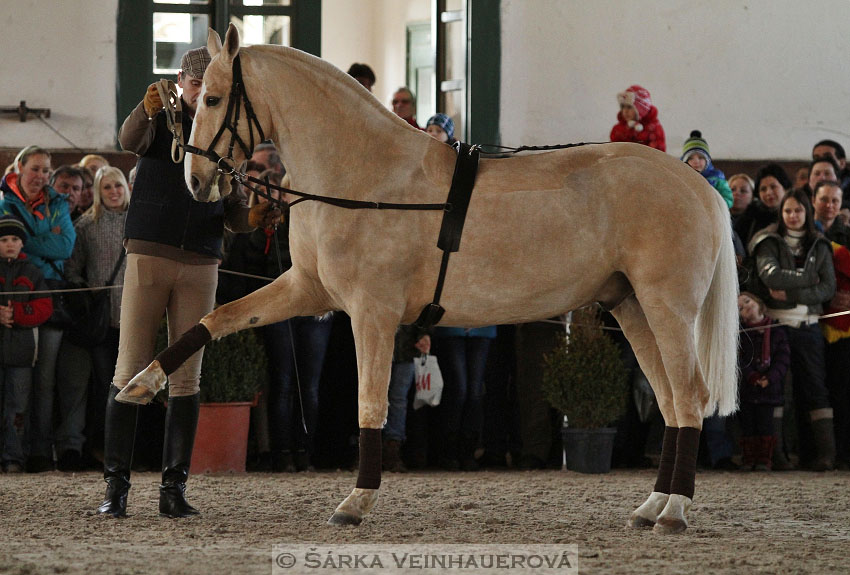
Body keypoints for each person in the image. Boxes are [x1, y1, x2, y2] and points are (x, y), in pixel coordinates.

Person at [97, 47, 278, 518]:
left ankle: (173, 489)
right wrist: (145, 107)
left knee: (186, 379)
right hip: (149, 252)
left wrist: (254, 216)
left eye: (207, 85)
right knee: (129, 368)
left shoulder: (225, 129)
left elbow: (233, 213)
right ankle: (115, 488)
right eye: (195, 84)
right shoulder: (162, 116)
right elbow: (130, 138)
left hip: (202, 259)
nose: (201, 93)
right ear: (182, 81)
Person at [0, 145, 76, 473]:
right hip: (12, 296)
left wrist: (23, 239)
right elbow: (14, 250)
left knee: (44, 380)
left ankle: (40, 451)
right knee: (14, 382)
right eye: (35, 169)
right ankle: (11, 453)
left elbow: (65, 246)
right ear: (18, 169)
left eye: (46, 171)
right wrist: (44, 240)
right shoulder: (5, 203)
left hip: (50, 297)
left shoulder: (57, 203)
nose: (41, 177)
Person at [749, 189, 836, 471]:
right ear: (781, 213)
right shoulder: (768, 240)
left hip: (808, 326)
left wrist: (795, 295)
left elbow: (827, 288)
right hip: (775, 327)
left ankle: (825, 455)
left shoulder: (820, 244)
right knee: (777, 391)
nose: (793, 216)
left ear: (807, 213)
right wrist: (807, 278)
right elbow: (769, 274)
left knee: (815, 390)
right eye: (787, 211)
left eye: (798, 210)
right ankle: (778, 455)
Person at [59, 167, 130, 471]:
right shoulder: (87, 225)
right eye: (107, 187)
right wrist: (87, 294)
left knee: (135, 388)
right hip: (102, 323)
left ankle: (131, 449)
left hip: (134, 320)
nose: (114, 191)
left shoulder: (140, 222)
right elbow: (72, 269)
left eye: (118, 185)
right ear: (98, 192)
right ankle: (103, 450)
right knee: (105, 388)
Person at [0, 215, 53, 473]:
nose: (10, 244)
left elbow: (44, 307)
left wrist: (18, 313)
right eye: (3, 239)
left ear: (23, 243)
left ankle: (15, 457)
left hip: (22, 354)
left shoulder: (32, 272)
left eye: (15, 239)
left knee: (18, 408)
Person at [432, 326, 497, 470]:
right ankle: (449, 452)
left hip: (482, 327)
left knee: (475, 393)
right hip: (452, 326)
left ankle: (468, 452)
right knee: (458, 391)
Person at [737, 292, 790, 471]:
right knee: (748, 426)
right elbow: (739, 360)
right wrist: (752, 376)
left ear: (758, 302)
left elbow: (783, 358)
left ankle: (764, 460)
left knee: (766, 426)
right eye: (740, 307)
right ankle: (748, 459)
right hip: (748, 389)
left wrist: (771, 378)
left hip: (770, 390)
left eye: (747, 301)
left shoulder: (776, 330)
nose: (746, 306)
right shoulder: (740, 334)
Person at [734, 163, 793, 250]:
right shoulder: (749, 218)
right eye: (763, 189)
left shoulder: (794, 214)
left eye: (773, 187)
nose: (768, 193)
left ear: (785, 188)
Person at [680, 130, 733, 209]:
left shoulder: (717, 178)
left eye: (701, 157)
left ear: (707, 160)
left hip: (713, 213)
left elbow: (728, 199)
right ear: (685, 162)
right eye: (691, 158)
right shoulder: (682, 178)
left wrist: (716, 205)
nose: (696, 162)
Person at [609, 85, 666, 152]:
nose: (625, 111)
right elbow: (613, 151)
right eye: (623, 107)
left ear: (641, 109)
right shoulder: (618, 129)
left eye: (629, 107)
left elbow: (659, 155)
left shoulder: (653, 129)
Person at [812, 180, 850, 247]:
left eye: (835, 201)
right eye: (824, 199)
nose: (829, 205)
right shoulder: (803, 230)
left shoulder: (847, 235)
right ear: (813, 200)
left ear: (841, 203)